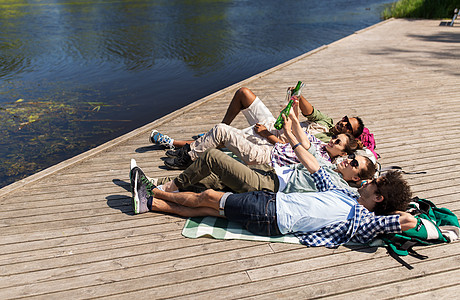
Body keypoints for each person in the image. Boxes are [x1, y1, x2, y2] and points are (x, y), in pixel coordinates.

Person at [130, 107, 414, 247]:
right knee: (208, 204)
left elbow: (406, 221)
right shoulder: (343, 193)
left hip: (273, 212)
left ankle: (152, 192)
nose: (367, 182)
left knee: (210, 195)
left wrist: (406, 210)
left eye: (373, 183)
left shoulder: (362, 221)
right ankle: (151, 203)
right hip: (271, 199)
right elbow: (313, 165)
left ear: (379, 197)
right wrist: (291, 136)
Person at [149, 87, 365, 169]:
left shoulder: (323, 152)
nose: (343, 124)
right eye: (345, 119)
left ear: (350, 138)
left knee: (223, 137)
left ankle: (175, 144)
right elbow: (302, 117)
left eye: (348, 127)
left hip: (274, 141)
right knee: (244, 93)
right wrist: (295, 100)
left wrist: (268, 135)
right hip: (279, 128)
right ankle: (206, 139)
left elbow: (294, 146)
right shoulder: (326, 124)